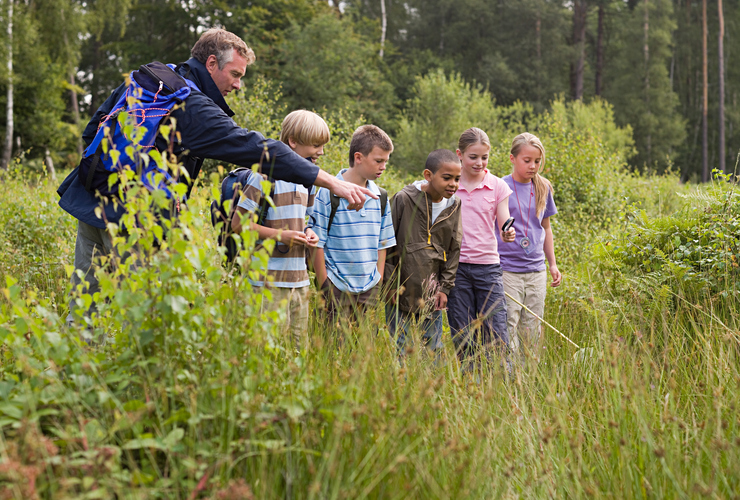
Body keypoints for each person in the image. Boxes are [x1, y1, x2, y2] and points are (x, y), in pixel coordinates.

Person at [58, 28, 372, 327]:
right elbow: (258, 149)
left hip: (91, 202)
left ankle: (76, 375)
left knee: (85, 305)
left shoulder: (151, 80)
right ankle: (134, 382)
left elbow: (93, 129)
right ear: (211, 63)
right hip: (135, 221)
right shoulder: (190, 104)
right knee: (142, 315)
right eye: (235, 74)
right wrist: (329, 180)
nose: (238, 85)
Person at [230, 110, 329, 350]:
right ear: (293, 142)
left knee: (298, 352)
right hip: (266, 282)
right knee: (264, 350)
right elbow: (238, 224)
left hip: (300, 282)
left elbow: (304, 220)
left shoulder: (309, 181)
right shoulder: (264, 176)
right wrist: (281, 236)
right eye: (316, 145)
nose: (321, 152)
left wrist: (309, 232)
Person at [311, 125, 396, 331]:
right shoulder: (327, 193)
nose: (383, 166)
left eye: (386, 161)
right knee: (330, 350)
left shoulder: (380, 196)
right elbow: (316, 243)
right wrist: (325, 285)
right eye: (378, 161)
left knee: (361, 353)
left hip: (369, 289)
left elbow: (382, 243)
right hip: (336, 287)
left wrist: (378, 280)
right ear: (358, 157)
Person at [446, 127, 516, 369]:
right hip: (457, 269)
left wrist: (508, 231)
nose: (479, 162)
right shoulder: (450, 185)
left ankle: (504, 385)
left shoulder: (497, 186)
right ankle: (470, 385)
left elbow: (504, 220)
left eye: (484, 157)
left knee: (496, 330)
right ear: (460, 155)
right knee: (463, 333)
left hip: (488, 268)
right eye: (473, 157)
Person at [384, 149, 462, 356]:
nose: (453, 184)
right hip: (400, 289)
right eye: (447, 178)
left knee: (433, 347)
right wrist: (390, 286)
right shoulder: (403, 199)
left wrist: (444, 288)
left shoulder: (455, 205)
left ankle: (433, 386)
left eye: (457, 179)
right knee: (400, 345)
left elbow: (454, 248)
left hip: (431, 291)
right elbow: (388, 243)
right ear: (428, 175)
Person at [496, 132, 561, 361]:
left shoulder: (543, 187)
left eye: (537, 161)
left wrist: (552, 264)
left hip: (536, 270)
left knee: (532, 326)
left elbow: (546, 228)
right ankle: (509, 374)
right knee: (508, 322)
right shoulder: (500, 187)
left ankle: (529, 377)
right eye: (527, 160)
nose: (533, 166)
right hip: (507, 269)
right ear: (513, 158)